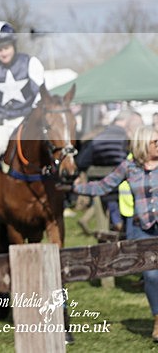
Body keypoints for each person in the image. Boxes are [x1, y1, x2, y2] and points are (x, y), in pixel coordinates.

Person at [72, 125, 158, 342]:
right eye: (154, 142)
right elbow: (103, 186)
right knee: (151, 275)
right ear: (142, 143)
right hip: (142, 228)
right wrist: (77, 188)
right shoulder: (129, 167)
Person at [0, 21, 45, 211]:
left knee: (52, 142)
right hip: (3, 122)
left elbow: (41, 93)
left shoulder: (31, 63)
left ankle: (64, 183)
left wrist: (36, 112)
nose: (3, 52)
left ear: (13, 45)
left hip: (29, 120)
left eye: (6, 47)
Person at [76, 108, 142, 232]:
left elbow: (82, 161)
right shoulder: (127, 136)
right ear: (126, 121)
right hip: (121, 185)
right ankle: (118, 224)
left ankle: (111, 225)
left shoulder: (99, 136)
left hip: (99, 183)